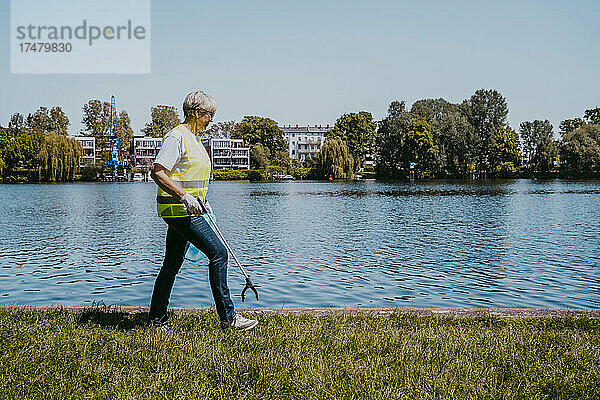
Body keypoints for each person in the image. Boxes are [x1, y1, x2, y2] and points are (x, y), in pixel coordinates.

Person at [148, 90, 258, 331]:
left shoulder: (195, 139)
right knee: (219, 254)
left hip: (189, 209)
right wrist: (185, 196)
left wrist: (200, 199)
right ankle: (228, 320)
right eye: (210, 114)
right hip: (179, 210)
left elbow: (190, 176)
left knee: (171, 264)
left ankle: (156, 319)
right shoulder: (177, 137)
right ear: (197, 112)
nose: (211, 120)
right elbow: (157, 171)